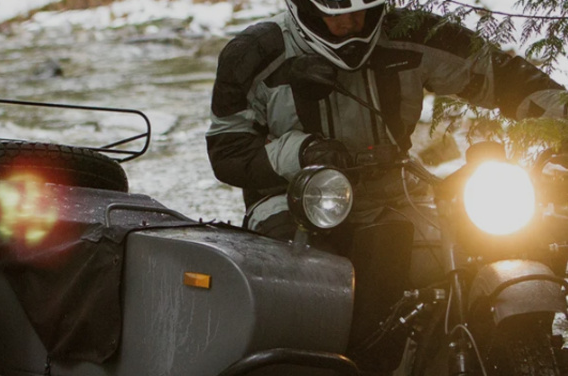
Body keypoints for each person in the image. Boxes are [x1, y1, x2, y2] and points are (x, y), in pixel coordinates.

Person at [205, 0, 567, 244]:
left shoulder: (413, 35)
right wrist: (303, 152)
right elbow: (228, 151)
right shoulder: (254, 54)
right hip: (293, 200)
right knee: (298, 284)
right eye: (335, 11)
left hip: (396, 193)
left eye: (362, 8)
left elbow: (502, 77)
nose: (350, 23)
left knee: (483, 250)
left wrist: (562, 123)